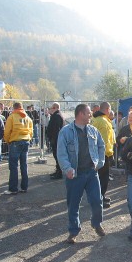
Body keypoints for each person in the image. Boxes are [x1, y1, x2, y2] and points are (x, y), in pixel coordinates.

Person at [57, 104, 106, 244]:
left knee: (97, 201)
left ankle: (96, 224)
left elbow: (101, 146)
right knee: (73, 204)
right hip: (75, 175)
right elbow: (61, 154)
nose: (91, 115)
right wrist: (67, 169)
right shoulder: (65, 132)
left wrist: (100, 162)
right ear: (80, 114)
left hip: (91, 172)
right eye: (89, 113)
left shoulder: (93, 130)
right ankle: (73, 231)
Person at [3, 102, 33, 195]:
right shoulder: (28, 118)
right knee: (24, 165)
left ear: (14, 108)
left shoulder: (11, 117)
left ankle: (13, 189)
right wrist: (28, 139)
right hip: (26, 141)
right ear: (22, 108)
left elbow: (7, 131)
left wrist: (8, 141)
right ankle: (24, 187)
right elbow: (31, 132)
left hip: (15, 142)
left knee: (13, 166)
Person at [92, 102, 116, 208]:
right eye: (110, 109)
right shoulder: (103, 121)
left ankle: (101, 196)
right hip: (104, 154)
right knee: (103, 178)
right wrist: (108, 154)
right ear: (107, 109)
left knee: (101, 177)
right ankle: (99, 198)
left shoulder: (99, 120)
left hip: (100, 153)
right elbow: (105, 140)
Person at [47, 102, 64, 179]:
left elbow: (56, 129)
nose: (50, 109)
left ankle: (59, 172)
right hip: (55, 139)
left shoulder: (57, 116)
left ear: (56, 108)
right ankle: (58, 171)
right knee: (56, 156)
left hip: (56, 140)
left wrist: (53, 139)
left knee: (57, 156)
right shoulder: (56, 115)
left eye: (52, 108)